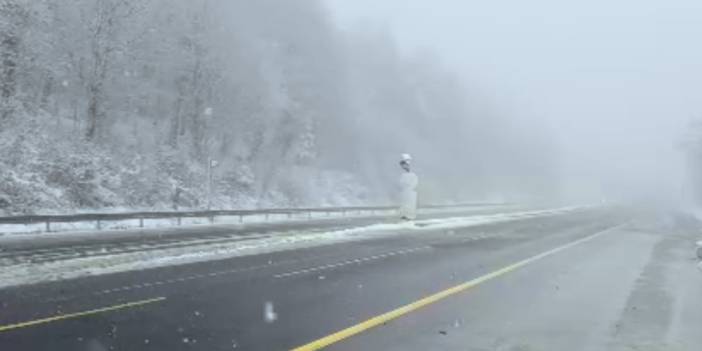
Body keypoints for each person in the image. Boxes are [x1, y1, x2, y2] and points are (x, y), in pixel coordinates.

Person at [398, 153, 418, 220]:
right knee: (405, 205)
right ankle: (405, 217)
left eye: (403, 165)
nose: (402, 166)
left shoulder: (413, 174)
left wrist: (408, 187)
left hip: (409, 192)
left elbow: (415, 183)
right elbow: (401, 183)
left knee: (409, 205)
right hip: (405, 192)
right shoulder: (403, 174)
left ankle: (409, 218)